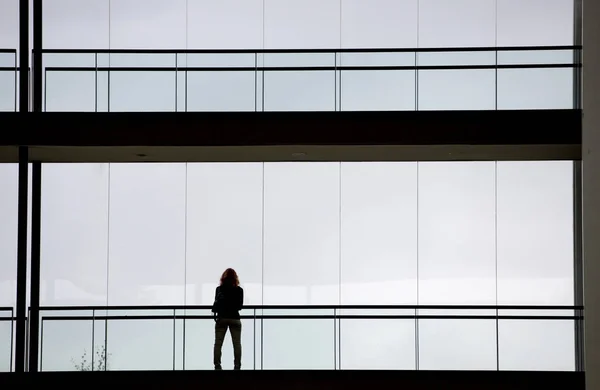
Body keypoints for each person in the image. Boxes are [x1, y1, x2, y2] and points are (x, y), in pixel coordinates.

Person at [212, 268, 244, 370]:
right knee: (237, 344)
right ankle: (237, 365)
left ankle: (217, 365)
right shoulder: (239, 290)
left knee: (218, 343)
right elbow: (240, 306)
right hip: (235, 318)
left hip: (222, 317)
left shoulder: (219, 289)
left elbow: (216, 304)